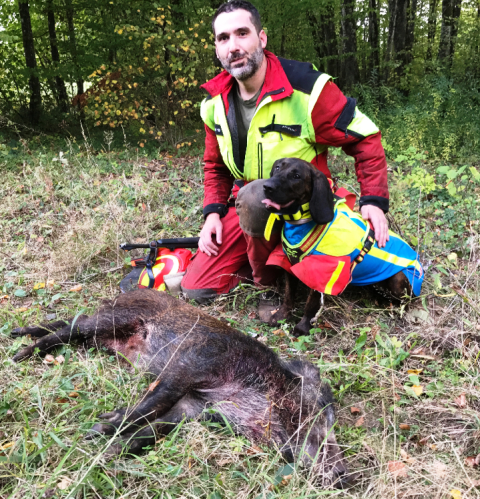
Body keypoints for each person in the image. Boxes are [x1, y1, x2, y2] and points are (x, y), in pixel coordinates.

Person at [181, 0, 390, 320]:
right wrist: (212, 213)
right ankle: (266, 260)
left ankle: (272, 284)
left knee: (254, 196)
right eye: (223, 38)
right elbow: (215, 166)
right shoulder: (214, 103)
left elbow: (365, 138)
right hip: (252, 206)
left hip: (306, 205)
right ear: (217, 48)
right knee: (198, 288)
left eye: (242, 33)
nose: (233, 46)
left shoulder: (308, 89)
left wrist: (374, 200)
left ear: (261, 38)